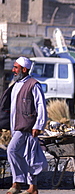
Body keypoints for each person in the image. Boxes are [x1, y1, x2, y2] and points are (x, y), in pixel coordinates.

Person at [4, 57, 48, 194]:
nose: (13, 70)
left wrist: (39, 125)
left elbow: (41, 106)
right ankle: (32, 188)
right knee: (28, 156)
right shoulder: (16, 84)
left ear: (24, 69)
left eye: (16, 67)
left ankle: (16, 183)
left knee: (12, 150)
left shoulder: (34, 84)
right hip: (17, 127)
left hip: (28, 127)